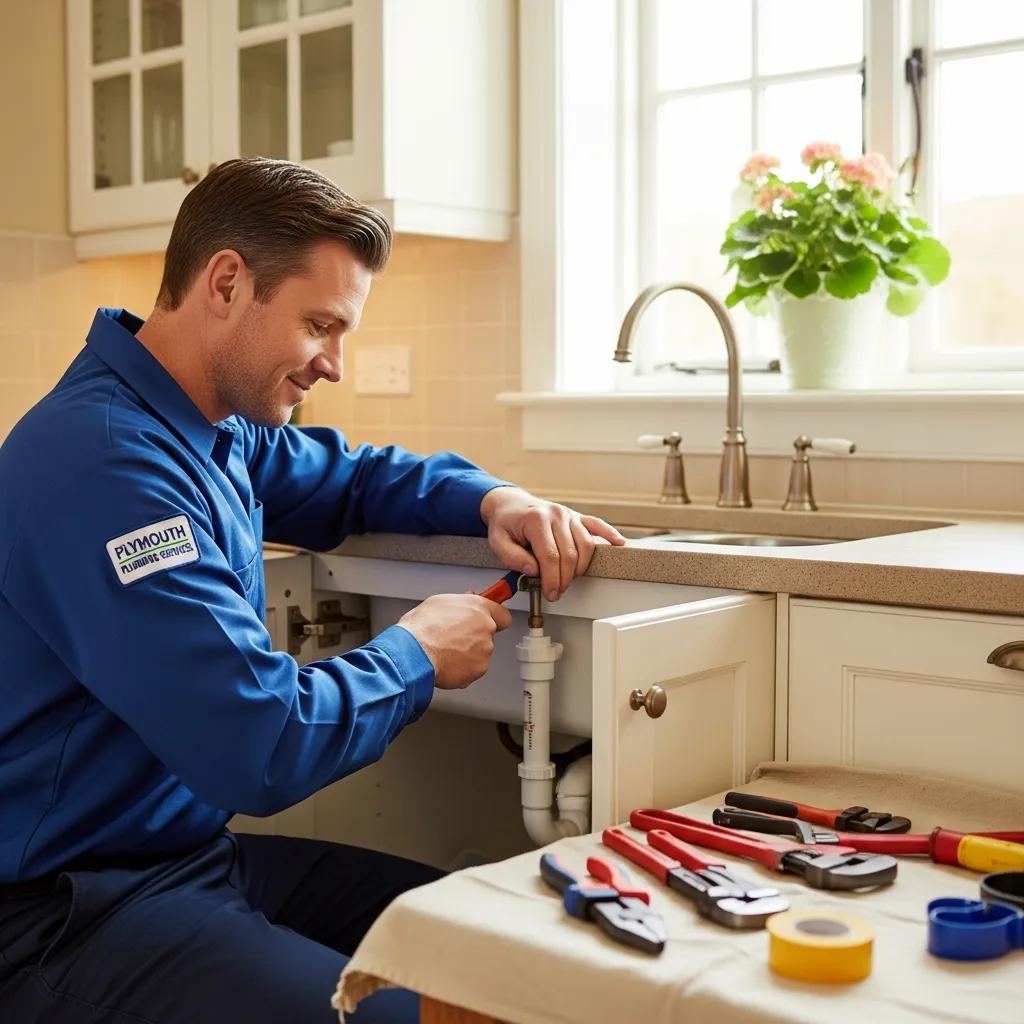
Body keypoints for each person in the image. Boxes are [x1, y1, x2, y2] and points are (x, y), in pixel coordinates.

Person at [0, 158, 624, 1023]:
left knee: (497, 943)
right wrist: (415, 654)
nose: (334, 363)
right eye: (320, 325)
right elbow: (255, 742)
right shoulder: (106, 464)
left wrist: (494, 499)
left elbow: (353, 478)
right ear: (227, 283)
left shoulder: (207, 424)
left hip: (186, 865)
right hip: (65, 917)